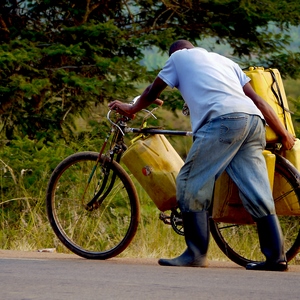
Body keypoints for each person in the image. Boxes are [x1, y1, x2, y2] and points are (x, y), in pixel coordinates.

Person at [108, 40, 296, 271]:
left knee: (189, 182)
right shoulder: (226, 62)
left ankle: (195, 254)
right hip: (253, 122)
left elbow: (152, 91)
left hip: (223, 122)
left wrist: (131, 108)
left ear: (175, 53)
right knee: (257, 190)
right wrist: (283, 132)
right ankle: (276, 258)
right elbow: (258, 101)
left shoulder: (177, 58)